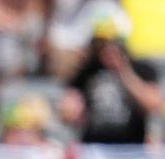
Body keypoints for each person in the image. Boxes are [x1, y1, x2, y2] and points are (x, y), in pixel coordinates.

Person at [60, 15, 162, 144]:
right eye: (101, 44)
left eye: (112, 43)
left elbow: (153, 105)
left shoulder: (141, 68)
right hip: (95, 146)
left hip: (131, 146)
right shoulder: (86, 71)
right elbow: (67, 112)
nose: (107, 49)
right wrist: (72, 110)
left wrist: (123, 72)